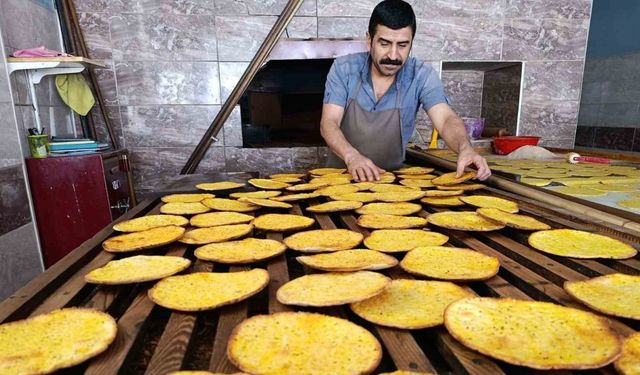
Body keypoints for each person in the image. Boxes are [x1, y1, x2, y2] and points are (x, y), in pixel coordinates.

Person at [320, 0, 491, 182]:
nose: (393, 55)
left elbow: (446, 119)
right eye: (384, 44)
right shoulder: (344, 69)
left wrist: (465, 148)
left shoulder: (421, 75)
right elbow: (329, 123)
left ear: (411, 43)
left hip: (392, 184)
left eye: (402, 45)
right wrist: (352, 157)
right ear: (369, 41)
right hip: (340, 178)